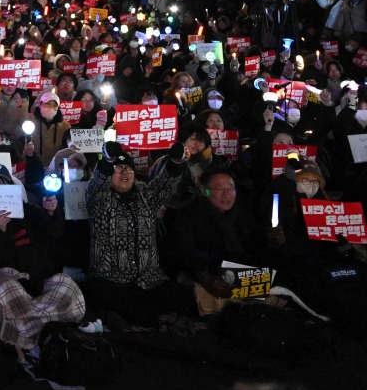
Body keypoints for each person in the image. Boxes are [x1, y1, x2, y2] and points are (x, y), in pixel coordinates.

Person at [0, 163, 86, 352]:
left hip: (36, 284)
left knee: (66, 285)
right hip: (8, 288)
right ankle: (44, 325)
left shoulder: (30, 211)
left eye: (3, 183)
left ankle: (23, 327)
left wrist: (51, 211)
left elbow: (54, 233)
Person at [84, 141, 194, 329]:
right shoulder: (99, 200)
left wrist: (175, 161)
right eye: (118, 169)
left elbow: (164, 183)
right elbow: (97, 182)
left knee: (183, 296)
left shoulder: (146, 196)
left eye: (128, 169)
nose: (124, 173)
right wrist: (107, 161)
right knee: (106, 298)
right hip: (111, 279)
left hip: (149, 279)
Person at [172, 166, 263, 316]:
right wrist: (204, 277)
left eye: (231, 189)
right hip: (204, 273)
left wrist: (272, 240)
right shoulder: (189, 212)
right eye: (219, 189)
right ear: (206, 191)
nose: (226, 195)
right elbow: (183, 251)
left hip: (238, 273)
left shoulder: (242, 211)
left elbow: (255, 243)